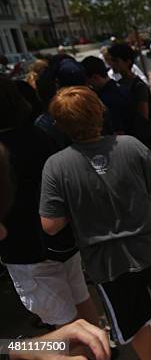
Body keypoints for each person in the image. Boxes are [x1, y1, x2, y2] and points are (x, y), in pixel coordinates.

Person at [39, 86, 151, 360]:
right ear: (100, 112)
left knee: (135, 320)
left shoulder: (56, 166)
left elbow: (50, 224)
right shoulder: (131, 146)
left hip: (108, 262)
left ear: (60, 124)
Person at [0, 78, 98, 329]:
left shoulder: (11, 146)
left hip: (27, 251)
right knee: (81, 300)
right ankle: (99, 350)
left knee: (65, 327)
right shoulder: (39, 135)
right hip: (63, 242)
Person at [0, 144, 111, 360]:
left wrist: (25, 348)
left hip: (35, 255)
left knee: (69, 316)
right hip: (60, 247)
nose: (3, 233)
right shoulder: (43, 138)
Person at [108, 43, 151, 152]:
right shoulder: (119, 84)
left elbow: (143, 117)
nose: (112, 64)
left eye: (116, 61)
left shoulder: (138, 86)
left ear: (127, 62)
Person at [82, 55, 131, 135]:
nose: (89, 86)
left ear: (95, 77)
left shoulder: (108, 99)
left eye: (89, 82)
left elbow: (118, 131)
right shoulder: (121, 87)